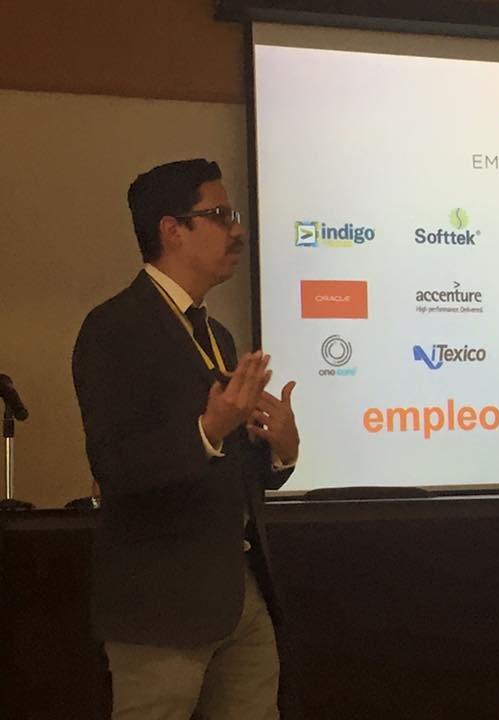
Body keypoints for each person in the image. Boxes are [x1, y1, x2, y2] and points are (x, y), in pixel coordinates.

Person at [72, 159, 300, 719]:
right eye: (220, 215)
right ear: (172, 230)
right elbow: (116, 468)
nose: (237, 230)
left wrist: (280, 450)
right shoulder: (112, 328)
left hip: (238, 594)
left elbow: (231, 466)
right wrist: (209, 428)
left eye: (234, 214)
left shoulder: (215, 333)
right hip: (159, 608)